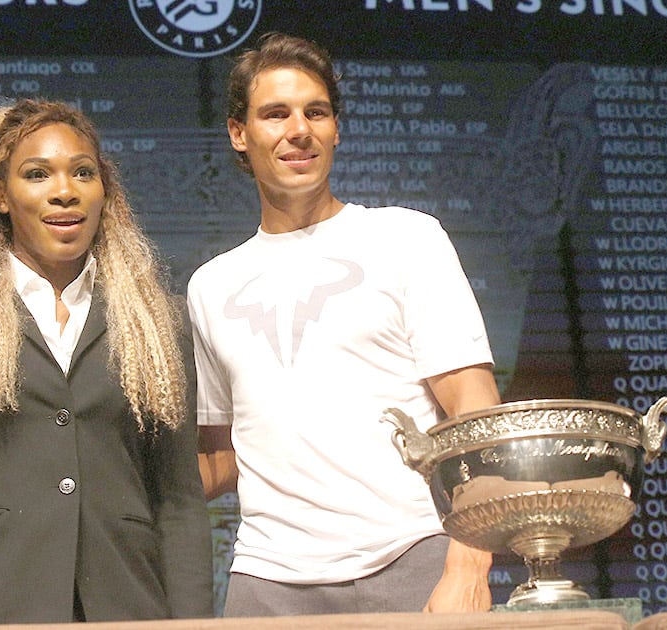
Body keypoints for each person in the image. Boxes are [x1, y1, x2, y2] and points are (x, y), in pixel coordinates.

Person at [188, 33, 502, 616]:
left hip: (411, 558)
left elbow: (474, 414)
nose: (298, 129)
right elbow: (224, 455)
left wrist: (468, 564)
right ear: (239, 133)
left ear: (336, 128)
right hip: (266, 581)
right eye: (275, 113)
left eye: (316, 111)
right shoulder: (210, 285)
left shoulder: (406, 238)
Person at [0, 98, 213, 623]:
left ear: (105, 191)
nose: (65, 190)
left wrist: (194, 622)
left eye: (83, 172)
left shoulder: (157, 320)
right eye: (37, 174)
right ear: (1, 195)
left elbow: (178, 500)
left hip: (125, 603)